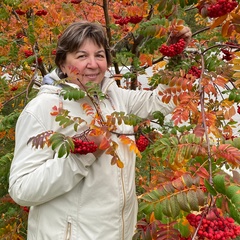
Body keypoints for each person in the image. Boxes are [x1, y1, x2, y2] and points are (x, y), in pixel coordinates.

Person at [8, 21, 192, 240]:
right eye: (82, 56)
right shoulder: (43, 109)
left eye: (100, 55)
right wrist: (82, 155)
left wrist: (176, 54)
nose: (93, 64)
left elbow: (161, 101)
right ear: (63, 63)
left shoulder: (114, 97)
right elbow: (21, 190)